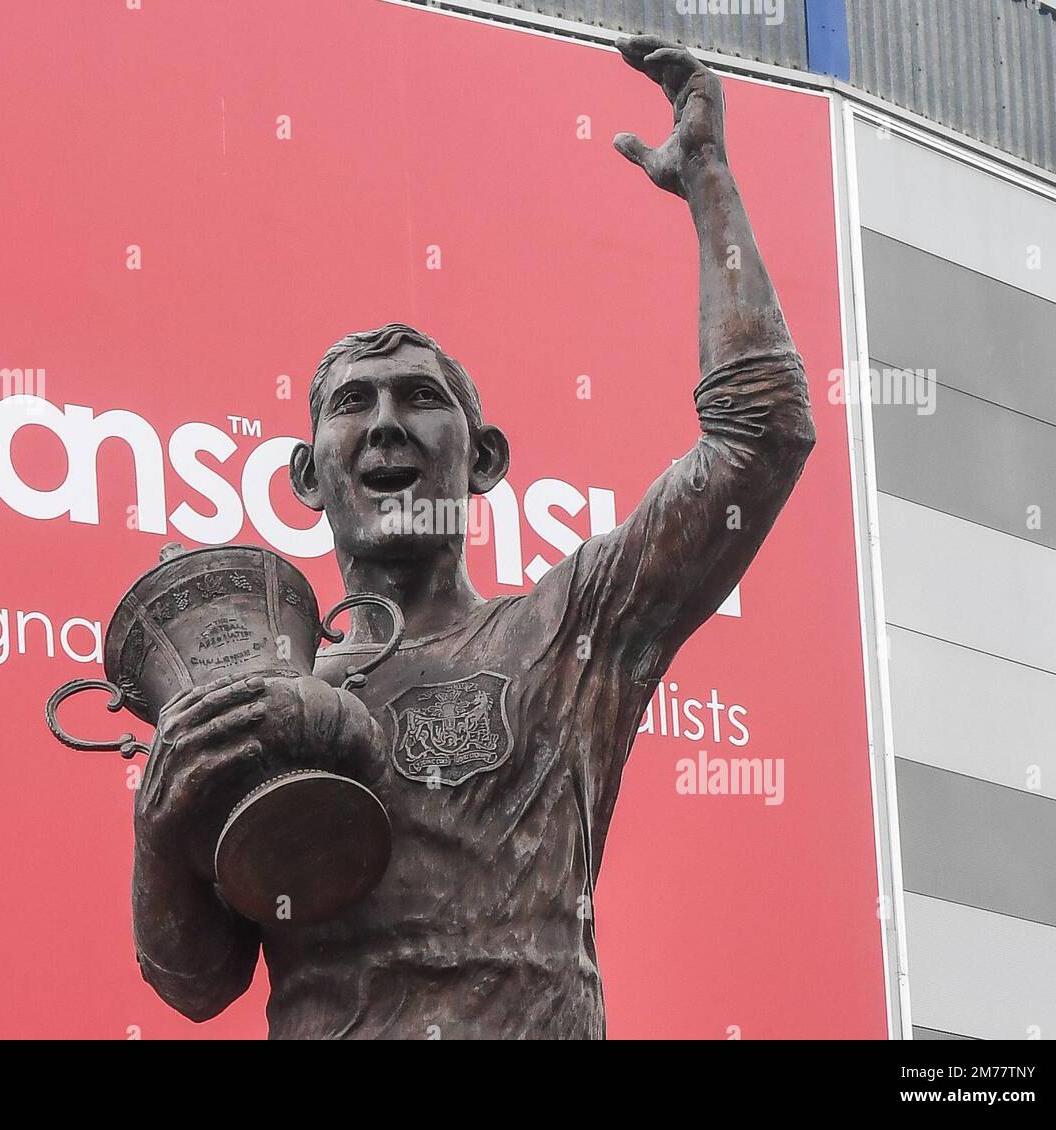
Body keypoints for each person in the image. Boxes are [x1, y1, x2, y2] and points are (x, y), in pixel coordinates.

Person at [131, 36, 816, 1039]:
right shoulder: (263, 702)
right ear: (309, 475)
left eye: (420, 398)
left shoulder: (572, 624)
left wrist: (708, 184)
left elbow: (761, 435)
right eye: (352, 404)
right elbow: (196, 983)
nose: (385, 423)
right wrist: (158, 827)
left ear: (484, 458)